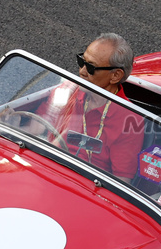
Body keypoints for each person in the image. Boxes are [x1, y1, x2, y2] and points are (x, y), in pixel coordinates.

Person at [35, 33, 145, 180]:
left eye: (91, 68)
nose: (82, 71)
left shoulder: (129, 119)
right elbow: (36, 127)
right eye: (81, 61)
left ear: (115, 76)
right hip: (43, 166)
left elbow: (121, 179)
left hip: (84, 186)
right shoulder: (68, 90)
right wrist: (12, 121)